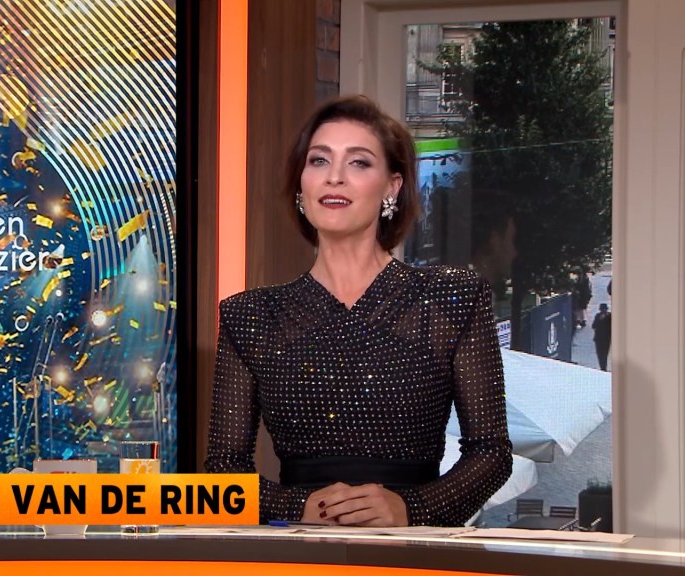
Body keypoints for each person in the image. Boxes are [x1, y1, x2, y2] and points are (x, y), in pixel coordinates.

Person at [205, 95, 512, 527]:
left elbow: (491, 453)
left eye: (359, 162)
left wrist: (410, 508)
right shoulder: (250, 315)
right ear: (301, 185)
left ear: (392, 187)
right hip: (299, 550)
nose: (334, 177)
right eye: (319, 160)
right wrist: (297, 508)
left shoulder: (452, 297)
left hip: (414, 549)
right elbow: (223, 469)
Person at [592, 303, 612, 371]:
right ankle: (602, 367)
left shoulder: (610, 316)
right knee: (599, 353)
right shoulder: (597, 316)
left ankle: (604, 367)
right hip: (599, 338)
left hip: (606, 338)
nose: (603, 311)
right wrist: (599, 320)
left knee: (604, 353)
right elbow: (593, 326)